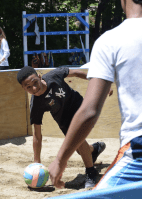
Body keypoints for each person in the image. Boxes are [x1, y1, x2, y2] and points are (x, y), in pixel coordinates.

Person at [48, 0, 142, 190]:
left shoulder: (111, 40)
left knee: (101, 193)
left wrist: (60, 159)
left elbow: (89, 111)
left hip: (138, 149)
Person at [17, 67, 112, 188]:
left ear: (39, 76)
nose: (34, 88)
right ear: (23, 88)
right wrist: (37, 163)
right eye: (28, 87)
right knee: (77, 147)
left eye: (35, 82)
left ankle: (91, 172)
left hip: (78, 106)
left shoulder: (54, 75)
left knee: (78, 140)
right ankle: (94, 150)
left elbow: (77, 73)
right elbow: (37, 135)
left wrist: (101, 85)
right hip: (63, 120)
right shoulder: (36, 105)